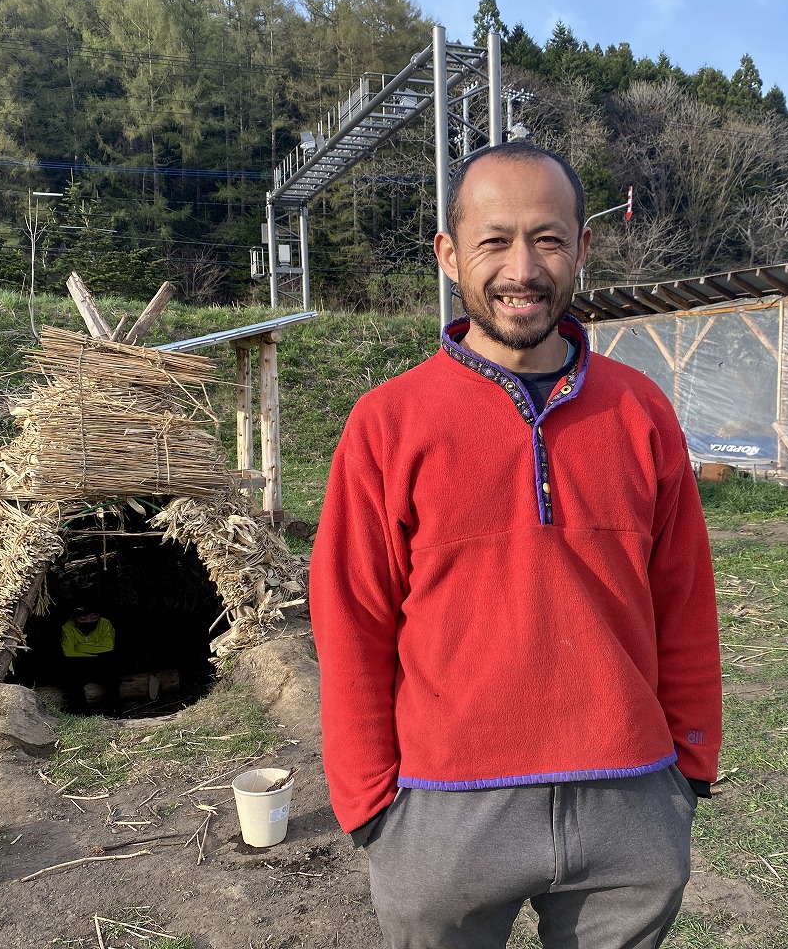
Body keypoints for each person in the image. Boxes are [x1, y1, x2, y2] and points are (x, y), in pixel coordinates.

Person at [309, 141, 722, 949]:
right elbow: (351, 618)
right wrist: (369, 804)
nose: (522, 269)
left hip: (632, 801)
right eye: (494, 240)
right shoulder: (388, 424)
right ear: (449, 253)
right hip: (442, 811)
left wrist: (689, 766)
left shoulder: (641, 411)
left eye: (549, 238)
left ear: (582, 248)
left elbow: (683, 595)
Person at [59, 606, 119, 712]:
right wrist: (98, 652)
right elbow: (68, 652)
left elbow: (108, 646)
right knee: (71, 667)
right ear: (74, 618)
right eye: (83, 619)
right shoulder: (67, 627)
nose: (89, 621)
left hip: (100, 665)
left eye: (94, 618)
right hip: (79, 666)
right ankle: (80, 710)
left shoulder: (105, 624)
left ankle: (113, 708)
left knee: (111, 663)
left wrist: (79, 647)